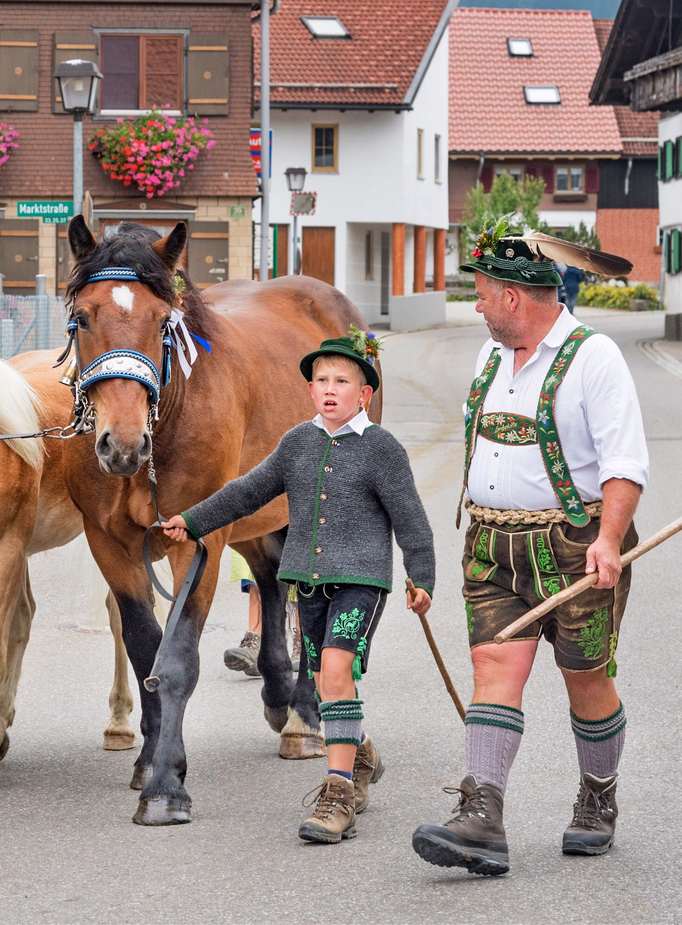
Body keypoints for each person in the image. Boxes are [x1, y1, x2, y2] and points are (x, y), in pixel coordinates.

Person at [411, 226, 645, 875]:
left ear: (515, 299)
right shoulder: (490, 359)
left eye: (483, 294)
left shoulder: (593, 359)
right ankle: (482, 815)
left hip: (575, 546)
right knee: (493, 665)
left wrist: (607, 538)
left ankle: (598, 797)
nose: (478, 306)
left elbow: (624, 463)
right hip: (492, 543)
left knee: (587, 679)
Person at [163, 329, 436, 844]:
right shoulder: (296, 443)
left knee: (333, 670)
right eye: (321, 380)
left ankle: (336, 796)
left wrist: (421, 577)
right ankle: (361, 751)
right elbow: (247, 491)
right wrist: (194, 521)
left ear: (365, 394)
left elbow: (412, 520)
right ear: (310, 390)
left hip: (360, 584)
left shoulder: (382, 449)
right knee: (332, 680)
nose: (330, 389)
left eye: (342, 381)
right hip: (306, 588)